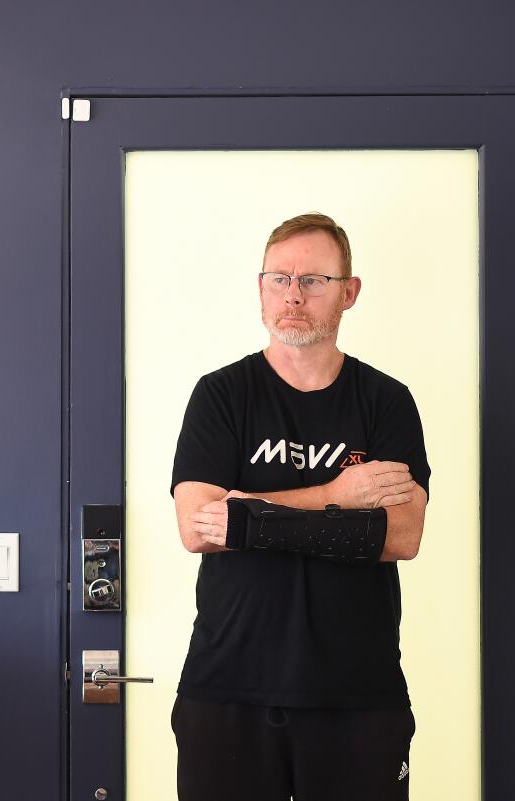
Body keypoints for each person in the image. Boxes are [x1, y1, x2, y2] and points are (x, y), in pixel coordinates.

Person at [170, 212, 431, 801]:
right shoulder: (220, 395)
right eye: (279, 278)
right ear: (259, 289)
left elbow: (401, 536)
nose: (294, 294)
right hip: (228, 687)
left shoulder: (386, 401)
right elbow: (200, 527)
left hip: (357, 693)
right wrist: (337, 499)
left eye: (313, 279)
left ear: (349, 292)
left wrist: (250, 515)